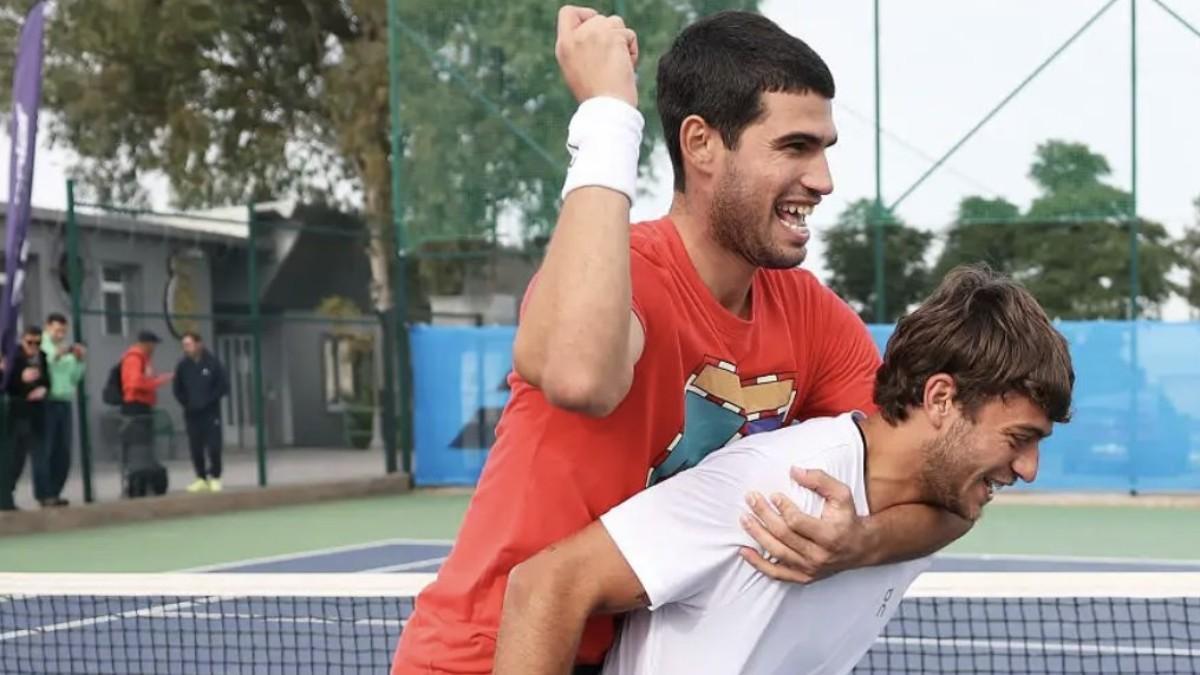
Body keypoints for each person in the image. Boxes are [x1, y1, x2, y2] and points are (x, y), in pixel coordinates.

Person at [393, 8, 969, 674]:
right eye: (795, 147)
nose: (823, 179)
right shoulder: (623, 275)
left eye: (825, 148)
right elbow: (583, 375)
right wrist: (609, 114)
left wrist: (859, 540)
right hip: (486, 656)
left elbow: (945, 482)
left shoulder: (814, 319)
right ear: (700, 144)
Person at [494, 266, 1075, 674]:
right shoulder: (778, 484)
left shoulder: (937, 504)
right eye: (1019, 439)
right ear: (942, 400)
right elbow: (545, 587)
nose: (1028, 468)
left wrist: (862, 543)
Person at [172, 332, 229, 493]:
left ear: (199, 344)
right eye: (184, 345)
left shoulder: (213, 363)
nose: (186, 348)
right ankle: (201, 478)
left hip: (211, 413)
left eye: (189, 344)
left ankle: (216, 477)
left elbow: (223, 386)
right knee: (196, 447)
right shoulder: (182, 365)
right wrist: (187, 403)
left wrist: (208, 401)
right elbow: (177, 389)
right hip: (192, 414)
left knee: (214, 446)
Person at [41, 313, 85, 507]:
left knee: (63, 450)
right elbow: (45, 364)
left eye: (63, 331)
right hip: (48, 402)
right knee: (47, 449)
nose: (60, 335)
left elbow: (74, 378)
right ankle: (45, 493)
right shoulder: (42, 346)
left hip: (65, 401)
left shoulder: (65, 349)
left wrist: (80, 360)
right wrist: (56, 355)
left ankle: (56, 492)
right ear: (48, 327)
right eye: (57, 330)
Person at [4, 326, 52, 507]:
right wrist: (21, 380)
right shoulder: (13, 358)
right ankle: (7, 495)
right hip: (17, 414)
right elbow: (7, 384)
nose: (34, 346)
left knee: (40, 454)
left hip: (37, 413)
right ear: (22, 340)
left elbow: (48, 381)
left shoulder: (42, 357)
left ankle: (45, 495)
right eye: (30, 342)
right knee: (15, 458)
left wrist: (43, 390)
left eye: (37, 343)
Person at [119, 330, 173, 481]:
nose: (154, 348)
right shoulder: (134, 358)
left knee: (145, 444)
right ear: (146, 344)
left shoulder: (143, 359)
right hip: (135, 405)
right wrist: (157, 382)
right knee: (138, 444)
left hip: (143, 405)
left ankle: (145, 473)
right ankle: (137, 475)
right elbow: (135, 382)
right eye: (153, 344)